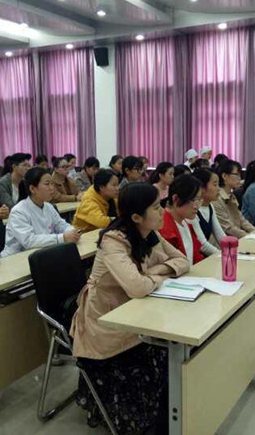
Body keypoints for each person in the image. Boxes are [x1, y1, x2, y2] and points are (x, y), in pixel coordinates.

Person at [71, 183, 189, 435]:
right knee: (159, 353)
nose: (162, 211)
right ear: (136, 217)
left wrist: (155, 272)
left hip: (137, 308)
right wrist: (157, 277)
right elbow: (137, 287)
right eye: (156, 207)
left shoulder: (150, 233)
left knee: (172, 350)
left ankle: (169, 411)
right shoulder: (113, 240)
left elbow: (182, 261)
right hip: (105, 317)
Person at [2, 168, 80, 257]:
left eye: (52, 184)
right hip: (16, 257)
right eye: (47, 184)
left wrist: (72, 232)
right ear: (32, 189)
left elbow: (61, 225)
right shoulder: (18, 211)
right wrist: (62, 237)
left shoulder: (48, 206)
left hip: (44, 252)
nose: (52, 188)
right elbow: (29, 241)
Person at [159, 174, 208, 265]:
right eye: (193, 200)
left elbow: (196, 257)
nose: (197, 206)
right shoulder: (164, 228)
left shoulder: (185, 222)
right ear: (176, 199)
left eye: (199, 200)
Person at [212, 159, 255, 238]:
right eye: (237, 175)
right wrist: (249, 237)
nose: (240, 178)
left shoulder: (230, 195)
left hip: (239, 237)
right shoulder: (216, 199)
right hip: (227, 242)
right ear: (224, 176)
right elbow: (228, 228)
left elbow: (241, 219)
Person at [73, 169, 119, 233]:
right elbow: (101, 222)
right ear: (101, 187)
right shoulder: (88, 201)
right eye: (114, 185)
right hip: (84, 235)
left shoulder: (111, 197)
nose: (117, 188)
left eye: (117, 185)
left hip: (103, 232)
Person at [192, 169, 226, 249]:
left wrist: (231, 248)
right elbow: (202, 245)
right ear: (202, 188)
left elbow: (220, 235)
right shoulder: (193, 209)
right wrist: (221, 253)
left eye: (218, 185)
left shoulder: (210, 206)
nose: (218, 189)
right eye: (215, 185)